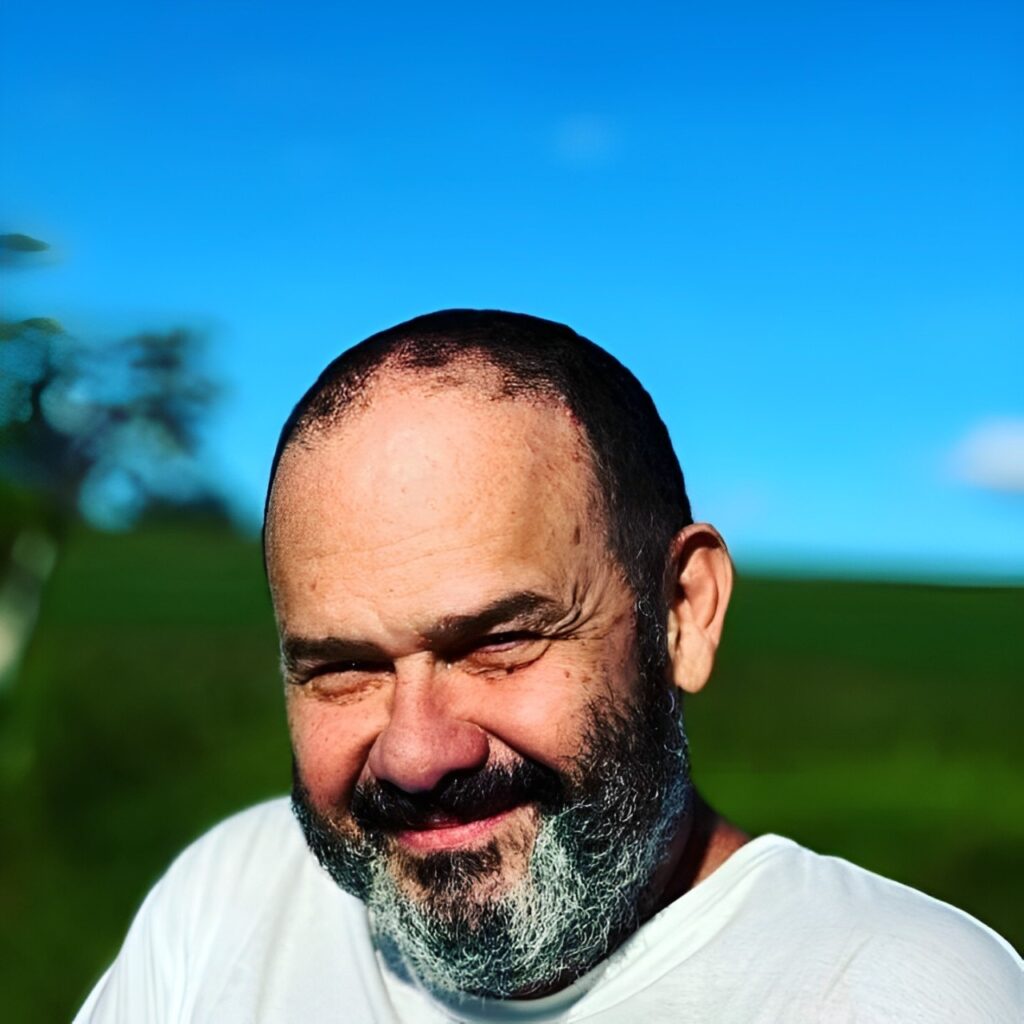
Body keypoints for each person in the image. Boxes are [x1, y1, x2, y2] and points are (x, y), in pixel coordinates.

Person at [76, 310, 1021, 1022]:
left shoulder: (899, 995)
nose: (415, 754)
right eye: (341, 669)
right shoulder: (228, 903)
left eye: (496, 643)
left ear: (682, 614)